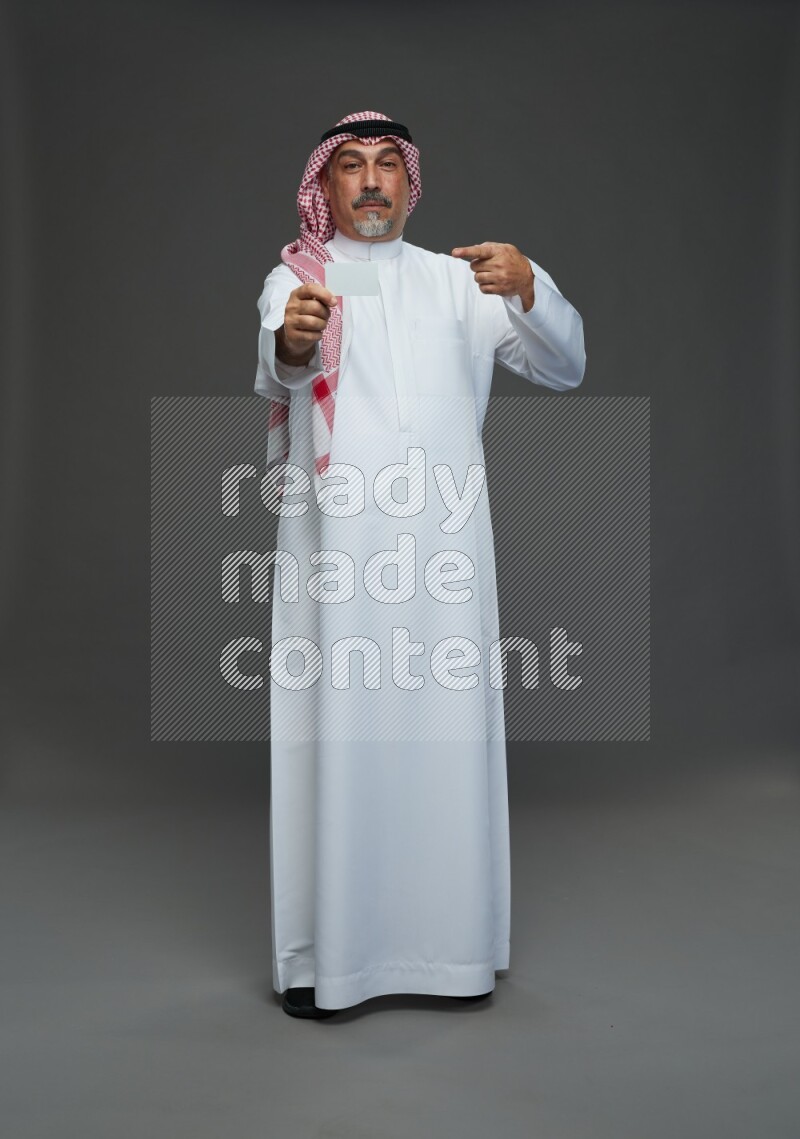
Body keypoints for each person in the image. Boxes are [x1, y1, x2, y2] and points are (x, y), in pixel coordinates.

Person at [254, 111, 585, 1019]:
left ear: (411, 185)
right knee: (341, 738)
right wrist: (291, 341)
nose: (369, 181)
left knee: (446, 742)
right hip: (338, 560)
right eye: (350, 167)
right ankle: (334, 961)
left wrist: (530, 291)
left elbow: (566, 368)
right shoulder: (299, 279)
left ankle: (452, 955)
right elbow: (282, 366)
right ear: (323, 189)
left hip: (442, 556)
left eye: (386, 166)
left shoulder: (462, 284)